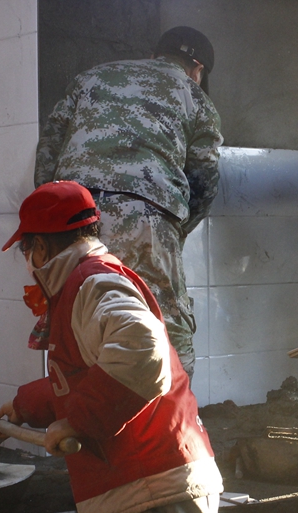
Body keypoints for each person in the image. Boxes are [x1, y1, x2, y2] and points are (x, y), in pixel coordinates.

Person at [0, 180, 223, 513]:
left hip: (155, 494)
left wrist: (77, 422)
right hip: (147, 494)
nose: (27, 260)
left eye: (27, 248)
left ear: (42, 245)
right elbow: (90, 375)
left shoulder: (93, 281)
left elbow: (142, 352)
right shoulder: (87, 282)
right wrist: (26, 405)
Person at [34, 26, 223, 379]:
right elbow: (204, 183)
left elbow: (48, 152)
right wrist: (173, 231)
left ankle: (76, 426)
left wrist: (50, 224)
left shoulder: (90, 79)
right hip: (144, 217)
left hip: (71, 223)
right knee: (165, 330)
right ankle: (172, 426)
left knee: (77, 324)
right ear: (197, 71)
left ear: (155, 56)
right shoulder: (196, 99)